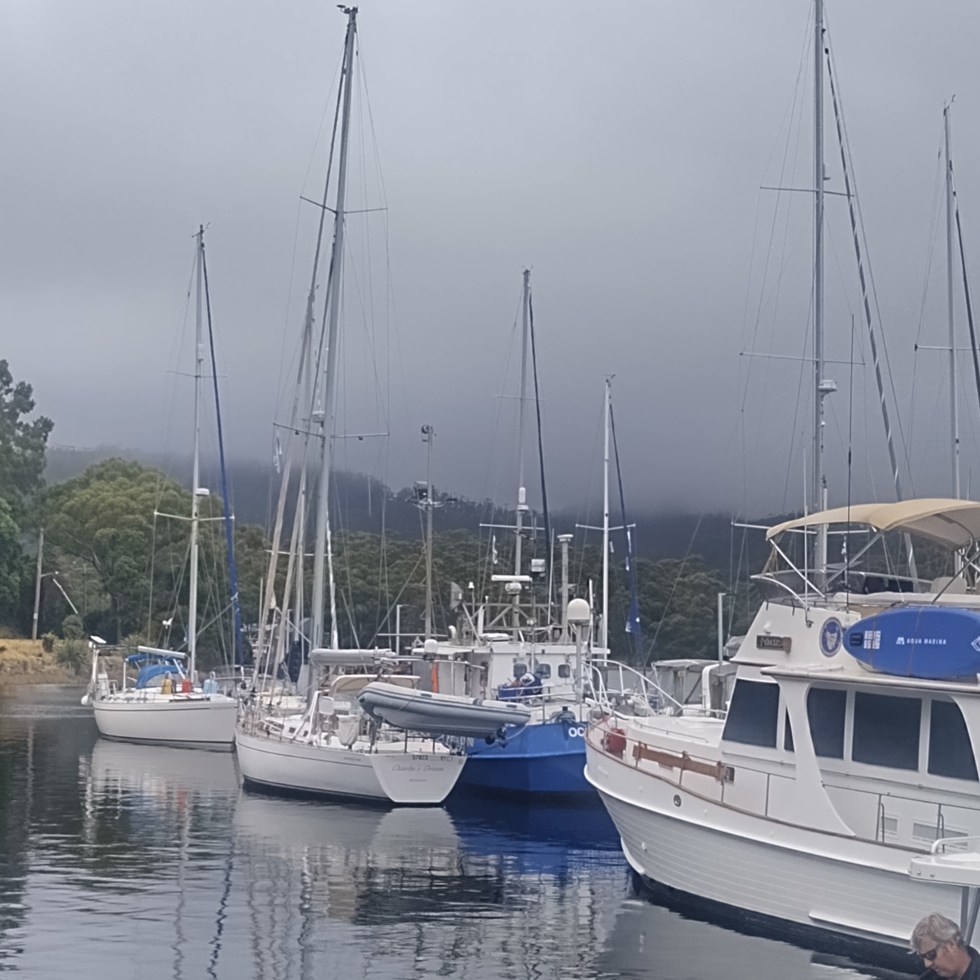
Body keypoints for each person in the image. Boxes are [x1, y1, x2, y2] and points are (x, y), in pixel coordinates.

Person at [911, 913, 980, 980]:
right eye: (923, 957)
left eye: (930, 954)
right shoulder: (931, 977)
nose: (927, 964)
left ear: (950, 944)